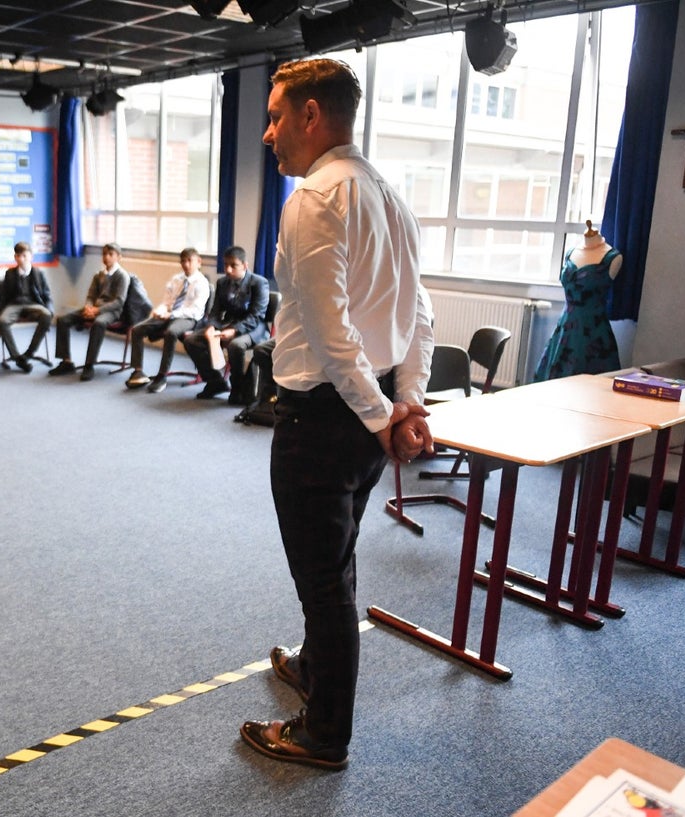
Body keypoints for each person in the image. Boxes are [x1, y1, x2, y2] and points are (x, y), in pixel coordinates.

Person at [239, 58, 434, 771]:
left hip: (323, 420)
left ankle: (323, 735)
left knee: (324, 584)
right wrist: (404, 402)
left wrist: (387, 415)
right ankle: (314, 666)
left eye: (275, 117)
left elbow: (330, 333)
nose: (268, 134)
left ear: (311, 115)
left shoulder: (315, 199)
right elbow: (419, 314)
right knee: (337, 558)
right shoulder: (390, 195)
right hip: (364, 416)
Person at [533, 220, 623, 381]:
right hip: (565, 328)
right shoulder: (571, 253)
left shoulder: (613, 258)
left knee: (588, 385)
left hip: (593, 332)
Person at [182, 246, 270, 404]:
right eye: (225, 265)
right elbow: (215, 311)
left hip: (254, 327)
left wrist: (234, 330)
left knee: (235, 345)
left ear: (245, 265)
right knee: (191, 340)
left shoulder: (258, 283)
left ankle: (238, 389)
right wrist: (211, 326)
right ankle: (215, 382)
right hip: (228, 324)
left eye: (233, 265)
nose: (228, 270)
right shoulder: (222, 282)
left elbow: (256, 316)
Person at [124, 247, 211, 393]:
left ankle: (162, 375)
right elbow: (167, 302)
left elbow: (195, 311)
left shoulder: (202, 283)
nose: (186, 264)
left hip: (189, 318)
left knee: (171, 332)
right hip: (170, 314)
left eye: (189, 261)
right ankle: (138, 371)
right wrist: (160, 310)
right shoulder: (176, 279)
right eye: (183, 261)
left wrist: (171, 315)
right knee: (137, 330)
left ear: (199, 262)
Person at [48, 243, 130, 382]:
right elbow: (91, 296)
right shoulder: (99, 275)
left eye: (110, 254)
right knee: (62, 320)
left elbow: (119, 301)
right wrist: (88, 307)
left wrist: (97, 310)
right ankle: (66, 361)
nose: (106, 257)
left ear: (119, 257)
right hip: (94, 309)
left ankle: (89, 364)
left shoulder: (122, 276)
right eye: (104, 254)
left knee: (99, 323)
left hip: (111, 311)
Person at [0, 241, 53, 373]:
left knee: (46, 315)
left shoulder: (38, 273)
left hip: (34, 304)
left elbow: (47, 295)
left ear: (31, 256)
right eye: (18, 256)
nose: (21, 259)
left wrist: (50, 312)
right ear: (15, 257)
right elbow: (3, 299)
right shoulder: (10, 274)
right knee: (2, 321)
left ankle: (29, 353)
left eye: (24, 255)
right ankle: (18, 358)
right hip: (14, 305)